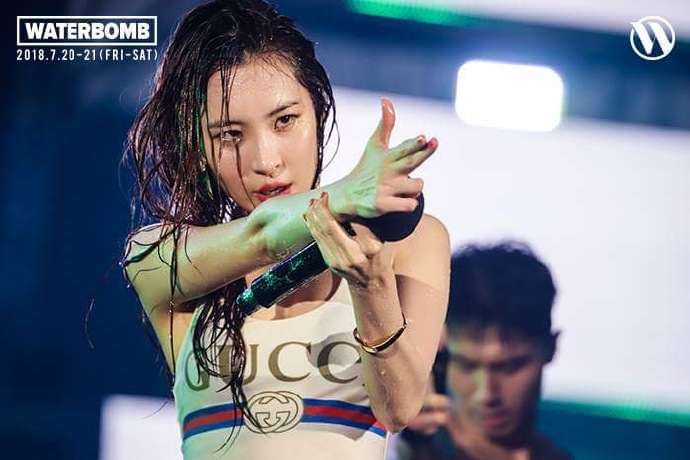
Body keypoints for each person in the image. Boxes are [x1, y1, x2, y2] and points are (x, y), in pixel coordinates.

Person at [121, 1, 450, 459]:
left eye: (285, 121)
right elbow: (262, 235)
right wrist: (345, 196)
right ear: (198, 148)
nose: (266, 160)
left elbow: (398, 410)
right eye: (230, 135)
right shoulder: (157, 256)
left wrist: (371, 287)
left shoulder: (411, 243)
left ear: (319, 112)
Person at [392, 241, 572, 460]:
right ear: (441, 354)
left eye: (509, 367)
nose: (486, 394)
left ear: (551, 348)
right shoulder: (397, 445)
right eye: (466, 365)